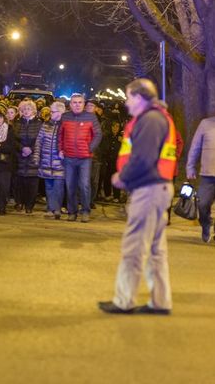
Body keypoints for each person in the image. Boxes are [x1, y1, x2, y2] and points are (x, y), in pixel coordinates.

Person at [99, 78, 177, 315]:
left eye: (129, 96)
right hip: (158, 188)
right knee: (155, 249)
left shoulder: (150, 120)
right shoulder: (156, 118)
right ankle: (160, 301)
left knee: (134, 246)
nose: (126, 102)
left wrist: (122, 177)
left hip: (149, 189)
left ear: (140, 98)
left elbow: (143, 158)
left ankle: (124, 301)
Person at [59, 93, 102, 222]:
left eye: (80, 102)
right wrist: (60, 149)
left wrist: (90, 148)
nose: (77, 105)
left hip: (85, 158)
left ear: (84, 104)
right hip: (69, 157)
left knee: (84, 185)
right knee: (70, 185)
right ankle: (72, 212)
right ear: (70, 104)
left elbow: (98, 134)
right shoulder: (65, 117)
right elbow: (60, 135)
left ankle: (85, 211)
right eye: (74, 102)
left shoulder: (91, 117)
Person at [186, 113, 215, 244]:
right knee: (202, 204)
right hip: (208, 175)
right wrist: (190, 167)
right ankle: (206, 224)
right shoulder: (205, 124)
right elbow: (195, 147)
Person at [34, 101, 65, 220]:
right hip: (46, 161)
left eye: (53, 111)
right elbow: (39, 141)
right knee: (49, 187)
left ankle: (56, 209)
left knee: (58, 186)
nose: (50, 113)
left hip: (60, 162)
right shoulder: (46, 125)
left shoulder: (65, 125)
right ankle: (50, 209)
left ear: (61, 112)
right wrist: (37, 156)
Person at [13, 99, 41, 214]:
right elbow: (13, 139)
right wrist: (22, 148)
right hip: (19, 156)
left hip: (33, 156)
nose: (26, 111)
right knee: (18, 182)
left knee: (32, 183)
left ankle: (29, 205)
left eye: (28, 109)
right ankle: (19, 202)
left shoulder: (39, 123)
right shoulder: (17, 123)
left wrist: (31, 149)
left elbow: (41, 139)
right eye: (24, 109)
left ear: (33, 110)